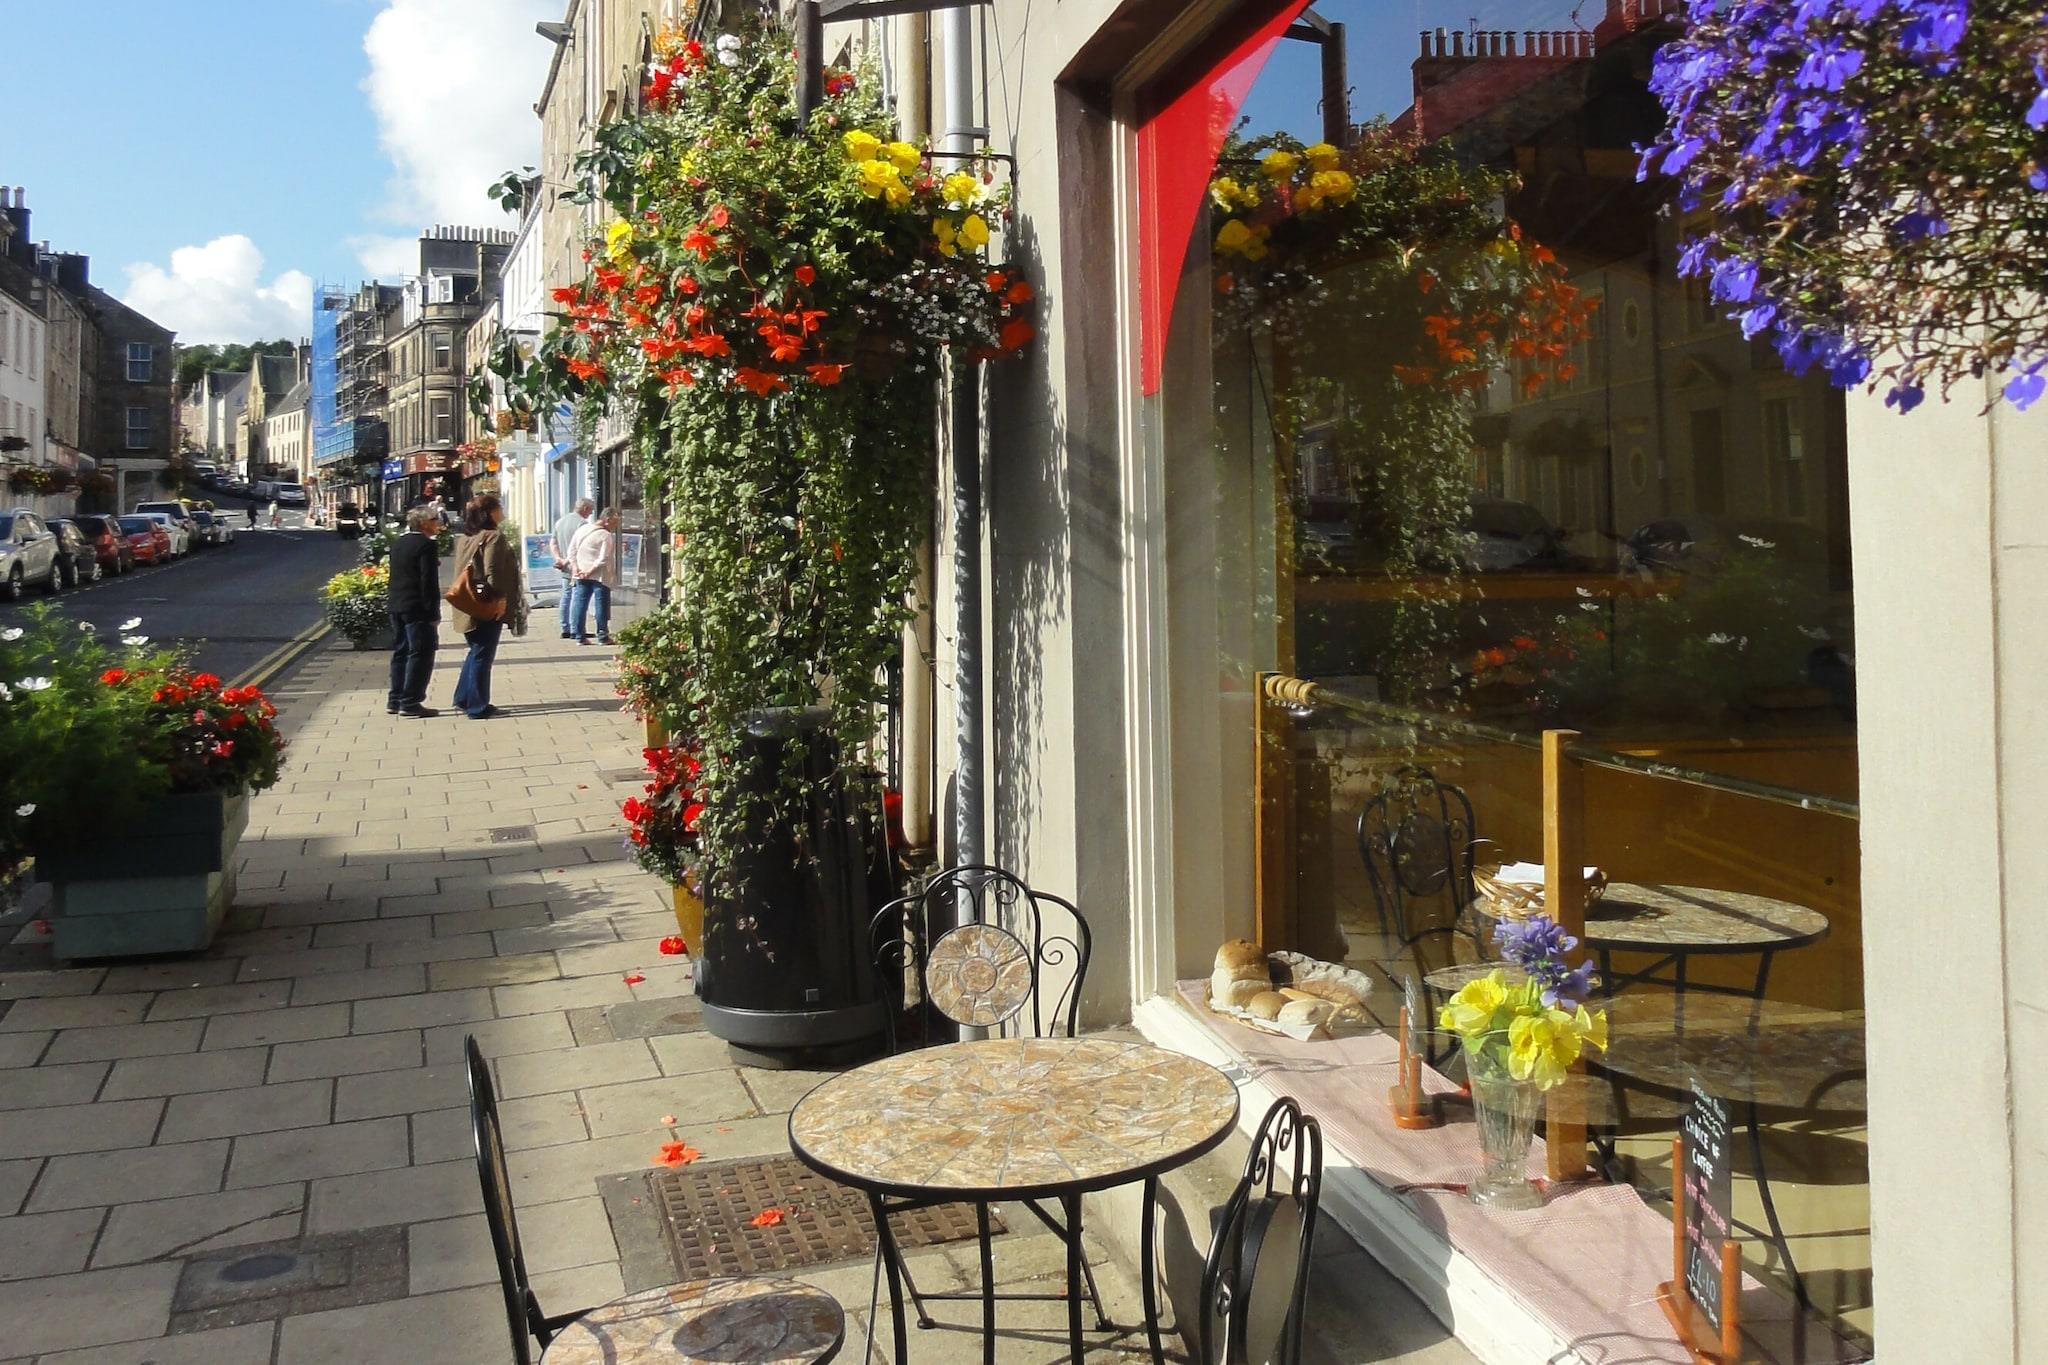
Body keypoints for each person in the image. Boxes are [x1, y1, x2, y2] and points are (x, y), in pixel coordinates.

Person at [449, 494, 521, 721]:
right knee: (483, 654)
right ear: (490, 512)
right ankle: (477, 706)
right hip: (485, 603)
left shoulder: (466, 537)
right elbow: (493, 571)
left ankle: (464, 698)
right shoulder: (493, 537)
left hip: (467, 602)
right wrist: (500, 599)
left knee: (475, 651)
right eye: (499, 507)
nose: (502, 511)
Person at [386, 504, 444, 718]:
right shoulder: (426, 545)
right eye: (434, 519)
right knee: (421, 653)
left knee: (401, 652)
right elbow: (428, 582)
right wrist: (433, 613)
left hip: (397, 604)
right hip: (417, 607)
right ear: (424, 523)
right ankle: (410, 702)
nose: (438, 523)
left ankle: (395, 700)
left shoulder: (399, 543)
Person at [567, 506, 620, 645]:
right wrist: (590, 571)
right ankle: (603, 636)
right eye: (615, 522)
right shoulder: (605, 535)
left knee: (580, 604)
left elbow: (571, 551)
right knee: (601, 604)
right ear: (607, 520)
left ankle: (579, 636)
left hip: (580, 573)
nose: (615, 526)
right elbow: (603, 558)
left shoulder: (582, 529)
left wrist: (576, 568)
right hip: (600, 576)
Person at [550, 498, 594, 639]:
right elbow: (579, 547)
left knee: (566, 596)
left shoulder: (560, 522)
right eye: (591, 509)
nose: (591, 512)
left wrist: (559, 558)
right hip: (577, 565)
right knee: (577, 597)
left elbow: (553, 542)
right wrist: (568, 560)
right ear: (585, 508)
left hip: (564, 566)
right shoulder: (582, 524)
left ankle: (565, 627)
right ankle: (576, 629)